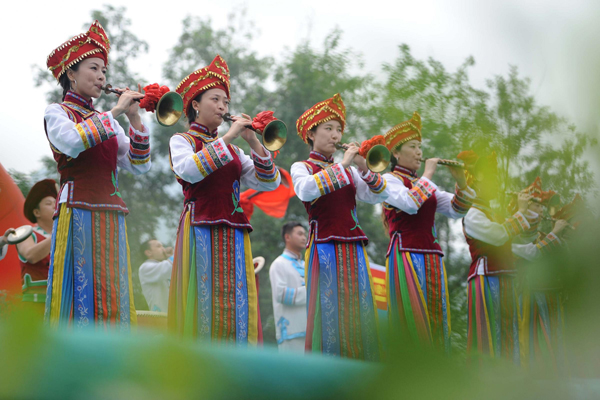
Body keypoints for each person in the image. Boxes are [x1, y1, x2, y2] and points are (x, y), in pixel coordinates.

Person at [44, 20, 151, 329]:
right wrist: (116, 112)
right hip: (78, 209)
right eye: (93, 68)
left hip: (112, 212)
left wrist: (136, 121)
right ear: (71, 74)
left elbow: (139, 166)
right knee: (79, 288)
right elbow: (72, 142)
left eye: (104, 70)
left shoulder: (108, 121)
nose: (102, 76)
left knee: (112, 290)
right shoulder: (58, 112)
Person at [167, 55, 281, 344]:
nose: (222, 106)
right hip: (201, 227)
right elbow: (189, 172)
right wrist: (229, 136)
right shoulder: (182, 141)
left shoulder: (234, 151)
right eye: (215, 99)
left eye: (225, 102)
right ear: (195, 105)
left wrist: (253, 141)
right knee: (203, 301)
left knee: (235, 301)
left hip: (234, 231)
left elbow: (269, 181)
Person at [291, 94, 388, 360]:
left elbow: (377, 196)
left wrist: (362, 167)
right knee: (329, 311)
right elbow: (306, 190)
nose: (335, 135)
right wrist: (344, 164)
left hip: (353, 247)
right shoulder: (302, 166)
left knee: (359, 309)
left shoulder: (349, 170)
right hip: (325, 248)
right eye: (328, 129)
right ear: (311, 133)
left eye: (338, 130)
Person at [381, 112, 476, 353]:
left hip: (432, 255)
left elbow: (456, 210)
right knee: (411, 316)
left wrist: (462, 182)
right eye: (412, 147)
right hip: (405, 254)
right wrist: (429, 174)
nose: (419, 153)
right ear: (396, 152)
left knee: (436, 317)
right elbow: (411, 203)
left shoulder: (426, 184)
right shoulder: (388, 181)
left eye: (420, 147)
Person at [460, 150, 536, 364]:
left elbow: (517, 239)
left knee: (508, 330)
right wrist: (520, 213)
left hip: (504, 277)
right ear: (480, 177)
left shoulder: (494, 213)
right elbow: (499, 235)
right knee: (491, 330)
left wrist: (527, 212)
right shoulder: (472, 213)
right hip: (487, 277)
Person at [16, 180, 57, 311]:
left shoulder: (67, 236)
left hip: (61, 304)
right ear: (36, 212)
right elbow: (30, 255)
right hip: (35, 304)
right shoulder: (26, 233)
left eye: (56, 203)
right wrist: (58, 234)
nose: (55, 207)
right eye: (49, 204)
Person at [269, 222, 308, 353]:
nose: (304, 237)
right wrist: (312, 292)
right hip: (291, 332)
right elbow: (281, 294)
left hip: (311, 331)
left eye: (305, 234)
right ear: (287, 237)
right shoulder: (278, 264)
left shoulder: (306, 265)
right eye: (300, 234)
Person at [138, 239, 174, 313]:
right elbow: (168, 267)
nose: (163, 249)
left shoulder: (162, 266)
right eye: (159, 246)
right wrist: (176, 254)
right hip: (160, 319)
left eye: (163, 246)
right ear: (148, 252)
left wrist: (170, 257)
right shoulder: (145, 268)